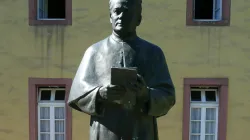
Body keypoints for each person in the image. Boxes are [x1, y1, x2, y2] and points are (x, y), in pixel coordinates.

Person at [67, 0, 176, 139]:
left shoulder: (153, 53)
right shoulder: (94, 52)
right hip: (105, 131)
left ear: (139, 19)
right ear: (110, 16)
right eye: (117, 11)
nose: (121, 16)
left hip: (140, 131)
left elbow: (168, 96)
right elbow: (77, 93)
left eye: (128, 12)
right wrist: (100, 94)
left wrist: (146, 94)